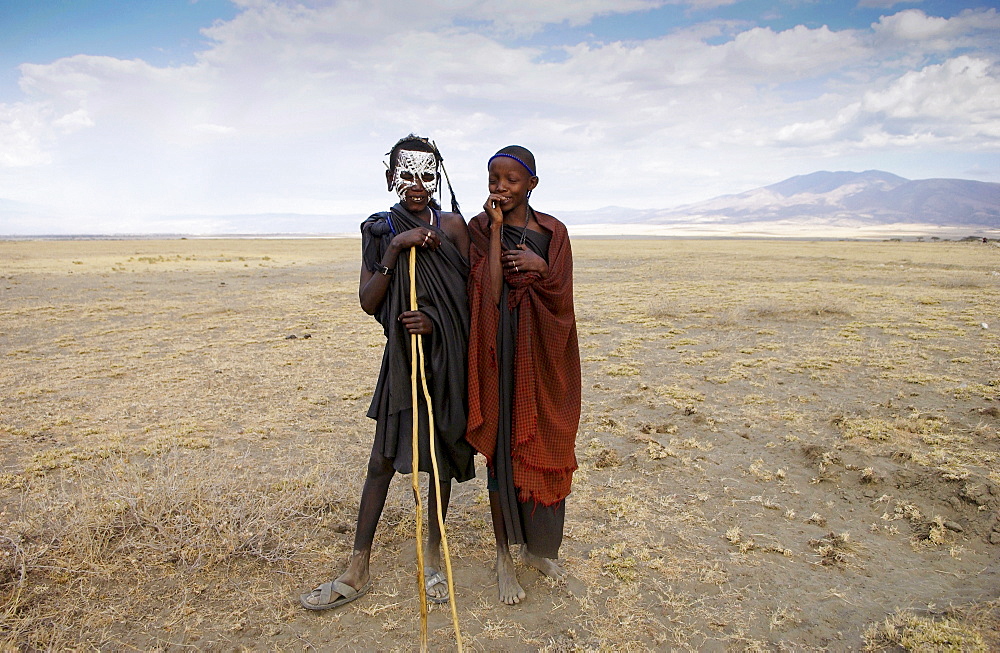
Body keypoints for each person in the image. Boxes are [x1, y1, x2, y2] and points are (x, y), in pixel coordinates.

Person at [301, 135, 474, 610]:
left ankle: (434, 557)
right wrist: (397, 247)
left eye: (426, 175)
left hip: (445, 362)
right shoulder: (381, 229)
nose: (417, 186)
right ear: (390, 178)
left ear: (437, 175)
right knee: (381, 460)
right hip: (402, 360)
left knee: (437, 459)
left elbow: (469, 301)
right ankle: (358, 564)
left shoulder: (455, 226)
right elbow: (368, 300)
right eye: (407, 175)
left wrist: (435, 321)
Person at [465, 145, 581, 605]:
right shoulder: (478, 228)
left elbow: (563, 299)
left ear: (532, 183)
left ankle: (538, 550)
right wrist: (495, 234)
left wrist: (543, 267)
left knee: (546, 441)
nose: (500, 186)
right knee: (501, 449)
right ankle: (502, 557)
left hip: (543, 356)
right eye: (494, 177)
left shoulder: (555, 232)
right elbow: (489, 292)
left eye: (511, 179)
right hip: (500, 352)